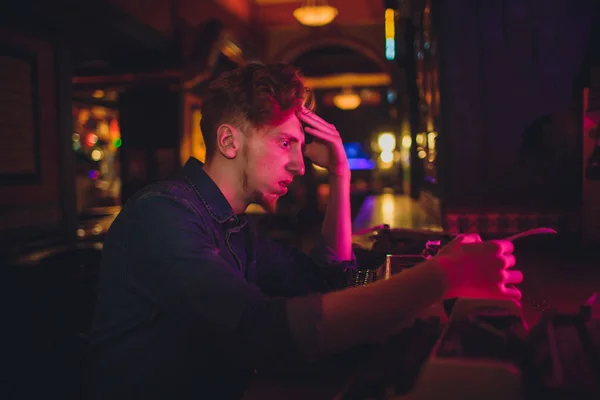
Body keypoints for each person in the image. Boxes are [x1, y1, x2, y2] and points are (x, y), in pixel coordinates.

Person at [86, 63, 523, 399]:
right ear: (229, 142)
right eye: (285, 143)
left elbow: (327, 279)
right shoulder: (162, 215)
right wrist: (443, 277)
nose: (299, 164)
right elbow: (265, 334)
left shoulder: (235, 227)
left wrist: (340, 172)